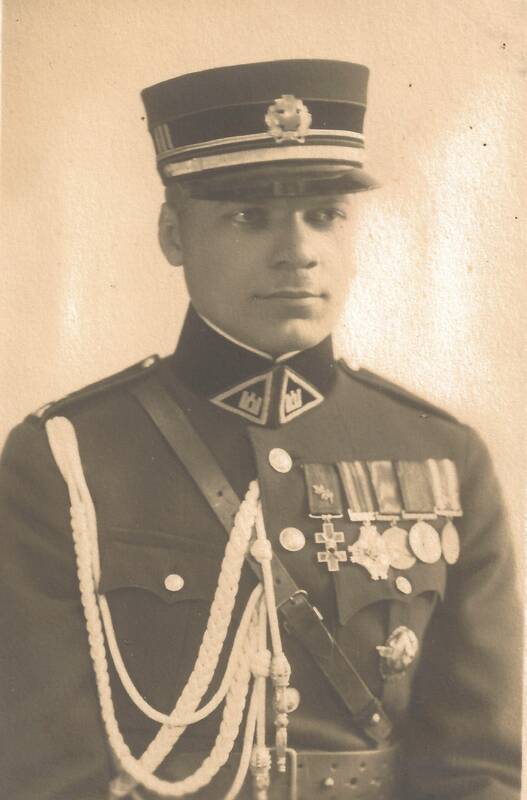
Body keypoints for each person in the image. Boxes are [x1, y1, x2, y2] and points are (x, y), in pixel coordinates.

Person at [0, 59, 521, 800]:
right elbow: (44, 772)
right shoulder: (68, 459)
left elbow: (476, 767)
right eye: (249, 217)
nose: (298, 251)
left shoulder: (442, 454)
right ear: (174, 235)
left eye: (325, 215)